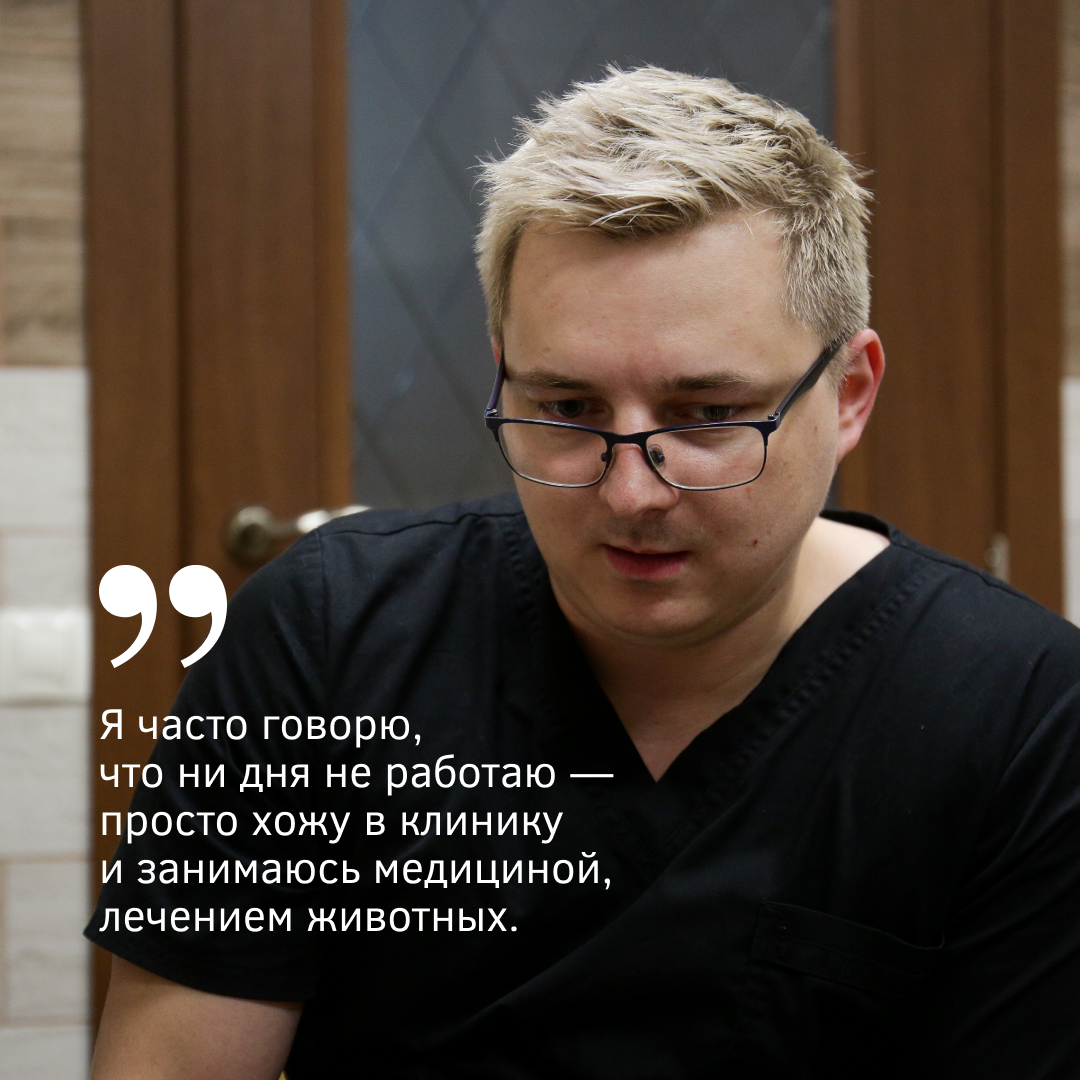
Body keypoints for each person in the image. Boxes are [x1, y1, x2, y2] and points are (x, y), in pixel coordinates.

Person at [87, 67, 1080, 1079]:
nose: (631, 492)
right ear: (503, 372)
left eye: (707, 416)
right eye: (566, 409)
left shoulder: (1020, 713)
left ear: (852, 392)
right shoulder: (329, 634)